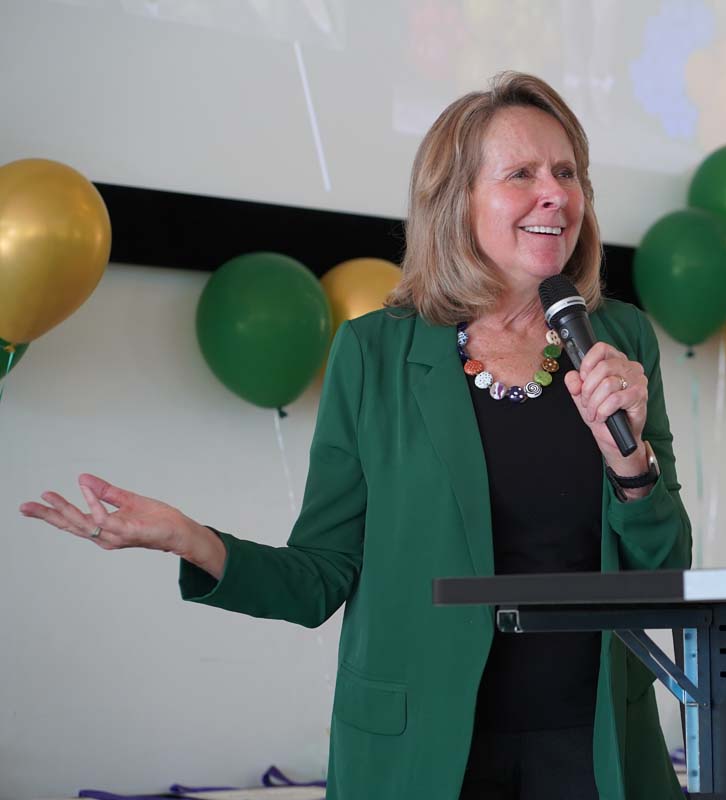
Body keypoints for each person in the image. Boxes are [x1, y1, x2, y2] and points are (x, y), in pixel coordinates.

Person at [19, 71, 691, 800]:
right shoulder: (374, 354)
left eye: (567, 173)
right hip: (423, 757)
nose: (555, 194)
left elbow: (667, 574)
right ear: (456, 200)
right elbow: (320, 576)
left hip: (595, 751)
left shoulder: (617, 341)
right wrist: (194, 541)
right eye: (522, 174)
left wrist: (629, 459)